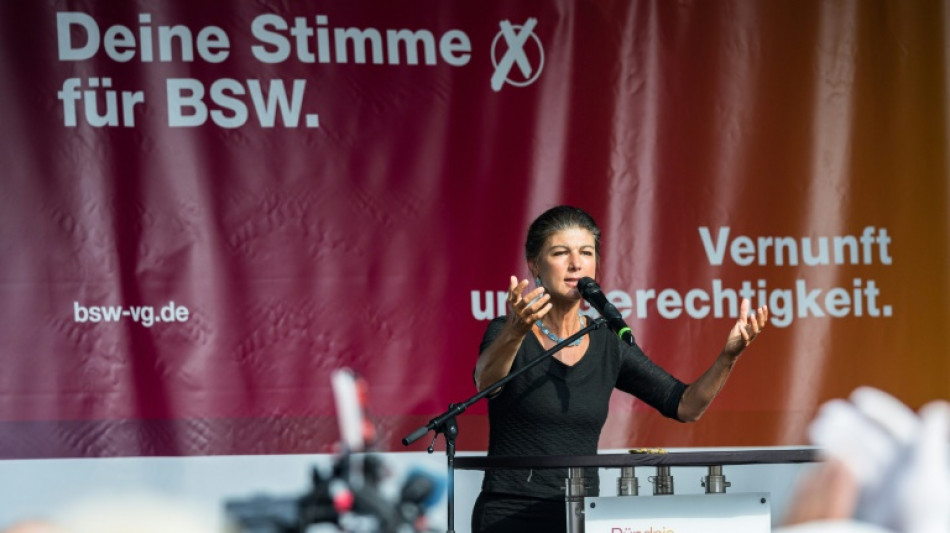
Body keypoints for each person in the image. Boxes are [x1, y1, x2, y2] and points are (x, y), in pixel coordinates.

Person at [471, 205, 768, 533]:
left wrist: (729, 357)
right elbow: (486, 382)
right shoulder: (506, 330)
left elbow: (686, 405)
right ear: (534, 264)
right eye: (560, 252)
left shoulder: (608, 340)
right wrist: (516, 331)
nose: (576, 263)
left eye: (586, 252)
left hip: (582, 514)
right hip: (510, 512)